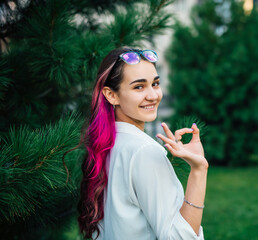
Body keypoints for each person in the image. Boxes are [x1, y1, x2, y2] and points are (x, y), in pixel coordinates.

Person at [77, 47, 209, 240]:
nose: (153, 95)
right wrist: (199, 170)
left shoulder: (106, 145)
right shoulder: (144, 151)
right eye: (139, 87)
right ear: (111, 95)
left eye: (155, 83)